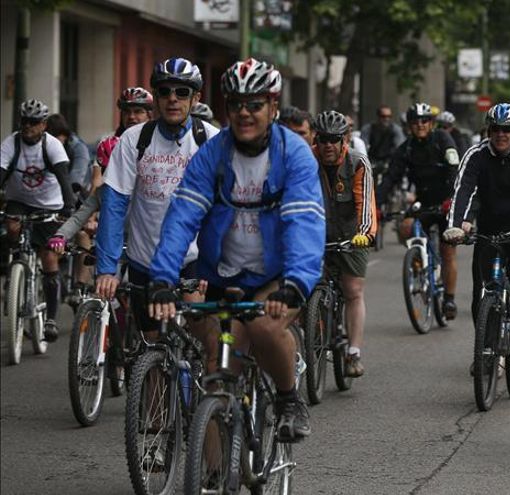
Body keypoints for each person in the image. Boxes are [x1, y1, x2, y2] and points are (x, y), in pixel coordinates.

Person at [149, 57, 323, 441]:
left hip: (277, 276)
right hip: (223, 274)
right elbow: (182, 216)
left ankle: (288, 398)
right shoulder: (213, 154)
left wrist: (295, 283)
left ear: (273, 107)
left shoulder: (293, 154)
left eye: (255, 104)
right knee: (218, 372)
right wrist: (162, 279)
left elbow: (304, 223)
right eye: (236, 104)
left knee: (264, 326)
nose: (244, 113)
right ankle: (210, 470)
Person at [95, 57, 219, 350]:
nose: (173, 99)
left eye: (182, 92)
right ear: (157, 97)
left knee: (204, 333)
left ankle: (209, 376)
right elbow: (114, 204)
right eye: (165, 91)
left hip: (194, 259)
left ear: (195, 98)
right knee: (152, 346)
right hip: (144, 259)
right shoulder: (134, 139)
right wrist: (107, 269)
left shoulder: (211, 140)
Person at [443, 103, 510, 338]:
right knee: (480, 292)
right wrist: (455, 225)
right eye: (495, 129)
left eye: (507, 129)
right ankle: (486, 346)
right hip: (489, 228)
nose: (501, 134)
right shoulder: (476, 155)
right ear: (488, 131)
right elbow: (463, 191)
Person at [47, 88, 155, 287]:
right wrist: (61, 235)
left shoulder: (149, 182)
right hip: (113, 241)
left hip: (147, 243)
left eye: (138, 111)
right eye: (127, 112)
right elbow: (82, 211)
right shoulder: (108, 158)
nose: (131, 117)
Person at [1, 99, 77, 342]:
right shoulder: (11, 143)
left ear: (43, 125)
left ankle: (51, 319)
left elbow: (65, 181)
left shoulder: (52, 146)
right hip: (19, 200)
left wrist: (68, 210)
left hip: (49, 205)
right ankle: (15, 265)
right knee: (11, 226)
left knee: (50, 257)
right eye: (24, 121)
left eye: (34, 122)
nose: (28, 126)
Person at [377, 102, 461, 318]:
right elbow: (390, 178)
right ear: (409, 126)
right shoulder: (406, 149)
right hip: (423, 202)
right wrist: (375, 205)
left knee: (448, 250)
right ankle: (420, 261)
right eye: (415, 122)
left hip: (446, 201)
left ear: (431, 123)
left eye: (424, 121)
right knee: (405, 227)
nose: (420, 125)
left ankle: (449, 299)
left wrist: (452, 198)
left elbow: (454, 169)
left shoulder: (443, 139)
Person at [313, 110, 377, 377]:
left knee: (352, 290)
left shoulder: (357, 162)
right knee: (303, 288)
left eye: (334, 139)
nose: (328, 145)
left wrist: (364, 234)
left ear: (344, 140)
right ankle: (311, 337)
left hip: (352, 235)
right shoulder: (306, 160)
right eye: (323, 139)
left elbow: (366, 204)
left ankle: (353, 352)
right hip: (316, 235)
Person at [46, 113, 92, 196]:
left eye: (57, 138)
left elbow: (76, 178)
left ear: (64, 135)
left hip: (78, 194)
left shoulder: (78, 148)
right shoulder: (46, 146)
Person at [360, 105, 406, 175]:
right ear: (378, 117)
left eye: (389, 116)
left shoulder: (396, 130)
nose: (386, 119)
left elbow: (400, 148)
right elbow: (362, 149)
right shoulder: (368, 129)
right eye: (383, 116)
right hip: (372, 161)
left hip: (389, 161)